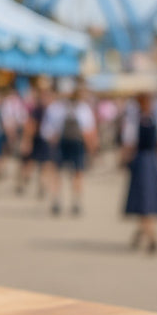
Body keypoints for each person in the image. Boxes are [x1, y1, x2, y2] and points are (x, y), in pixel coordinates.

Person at [122, 93, 157, 254]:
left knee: (143, 201)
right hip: (153, 162)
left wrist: (124, 161)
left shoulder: (133, 121)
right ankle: (147, 233)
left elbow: (129, 144)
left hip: (141, 161)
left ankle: (148, 234)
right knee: (149, 201)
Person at [42, 84, 96, 216]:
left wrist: (53, 140)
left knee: (57, 173)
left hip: (61, 143)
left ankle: (57, 200)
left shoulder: (55, 108)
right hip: (77, 144)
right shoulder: (83, 108)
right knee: (77, 173)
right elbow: (88, 131)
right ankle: (76, 202)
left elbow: (46, 131)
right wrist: (92, 150)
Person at [16, 85, 53, 197]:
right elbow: (30, 126)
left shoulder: (47, 110)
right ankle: (24, 183)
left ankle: (40, 186)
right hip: (37, 139)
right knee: (31, 164)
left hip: (43, 140)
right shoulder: (38, 110)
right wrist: (27, 141)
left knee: (43, 165)